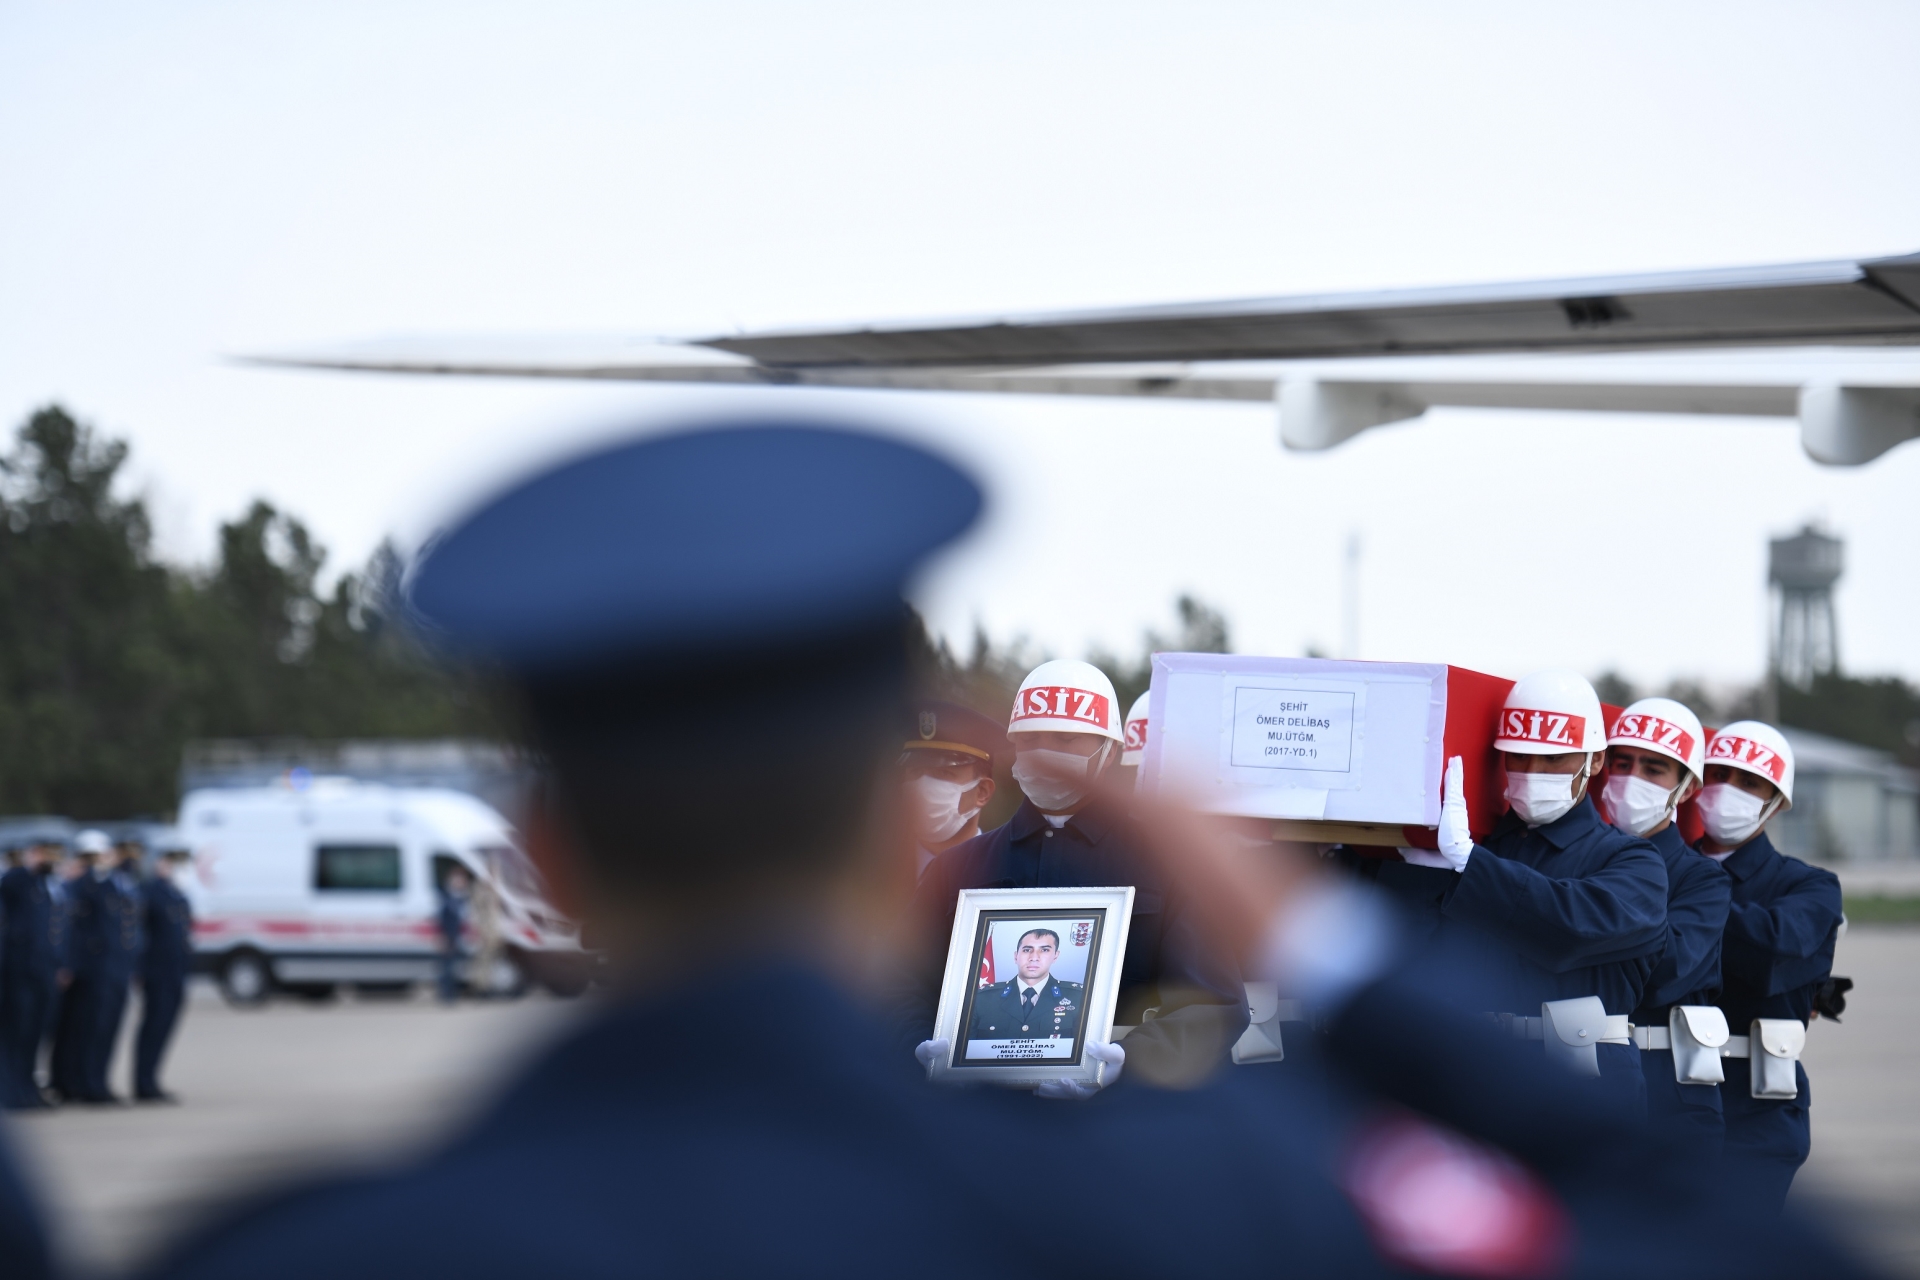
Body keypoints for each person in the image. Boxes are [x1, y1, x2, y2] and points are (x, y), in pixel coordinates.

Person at [138, 421, 1873, 1280]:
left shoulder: (297, 1248)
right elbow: (1737, 1246)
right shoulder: (1208, 1196)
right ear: (901, 844)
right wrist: (1319, 942)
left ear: (547, 859)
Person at [904, 658, 1246, 1086]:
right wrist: (917, 1045)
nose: (1044, 752)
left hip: (1122, 1117)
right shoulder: (954, 868)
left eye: (1066, 739)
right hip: (975, 1112)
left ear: (1109, 751)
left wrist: (1127, 1066)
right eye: (1030, 739)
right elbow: (900, 985)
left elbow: (1214, 1005)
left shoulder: (1172, 866)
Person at [1380, 670, 1669, 1117]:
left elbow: (1573, 929)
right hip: (1474, 1075)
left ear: (1595, 761)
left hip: (1585, 1088)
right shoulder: (1474, 852)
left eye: (1553, 759)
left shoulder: (1634, 861)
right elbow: (1403, 955)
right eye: (1518, 757)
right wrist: (1411, 872)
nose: (1533, 773)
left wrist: (1472, 865)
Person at [1697, 722, 1842, 1210]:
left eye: (1749, 782)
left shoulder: (1810, 886)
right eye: (1717, 774)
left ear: (1777, 801)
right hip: (1662, 1102)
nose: (1727, 790)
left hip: (1755, 1112)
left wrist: (1677, 897)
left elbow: (1772, 951)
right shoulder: (1653, 866)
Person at [1602, 697, 1730, 1166]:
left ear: (1688, 787)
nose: (1630, 779)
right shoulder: (1578, 861)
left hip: (1672, 1098)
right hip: (1588, 1091)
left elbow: (1664, 974)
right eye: (1622, 764)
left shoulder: (1703, 879)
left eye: (1653, 769)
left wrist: (1575, 920)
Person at [899, 699, 1004, 879]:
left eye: (943, 772)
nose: (923, 784)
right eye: (916, 771)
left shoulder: (1003, 876)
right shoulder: (868, 869)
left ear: (982, 792)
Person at [0, 841, 59, 1109]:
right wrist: (25, 864)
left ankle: (27, 1089)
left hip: (41, 970)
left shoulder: (43, 885)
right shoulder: (19, 880)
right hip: (19, 970)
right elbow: (10, 884)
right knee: (17, 1033)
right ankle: (12, 1092)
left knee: (34, 1034)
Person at [134, 847, 195, 1102]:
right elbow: (140, 933)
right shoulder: (150, 892)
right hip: (156, 972)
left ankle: (152, 1079)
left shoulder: (178, 895)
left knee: (165, 1027)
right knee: (153, 1026)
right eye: (172, 861)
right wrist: (140, 970)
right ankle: (143, 1083)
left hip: (175, 971)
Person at [966, 927, 1084, 1043]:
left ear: (1055, 956)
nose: (1034, 958)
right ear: (1016, 956)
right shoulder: (982, 998)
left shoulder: (1078, 998)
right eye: (1027, 950)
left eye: (1044, 950)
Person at [435, 865, 472, 1004]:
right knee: (447, 967)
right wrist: (442, 936)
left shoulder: (466, 897)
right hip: (449, 936)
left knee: (457, 967)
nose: (460, 882)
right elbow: (441, 919)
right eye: (457, 879)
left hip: (461, 937)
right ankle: (447, 995)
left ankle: (454, 993)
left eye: (462, 880)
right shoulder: (445, 896)